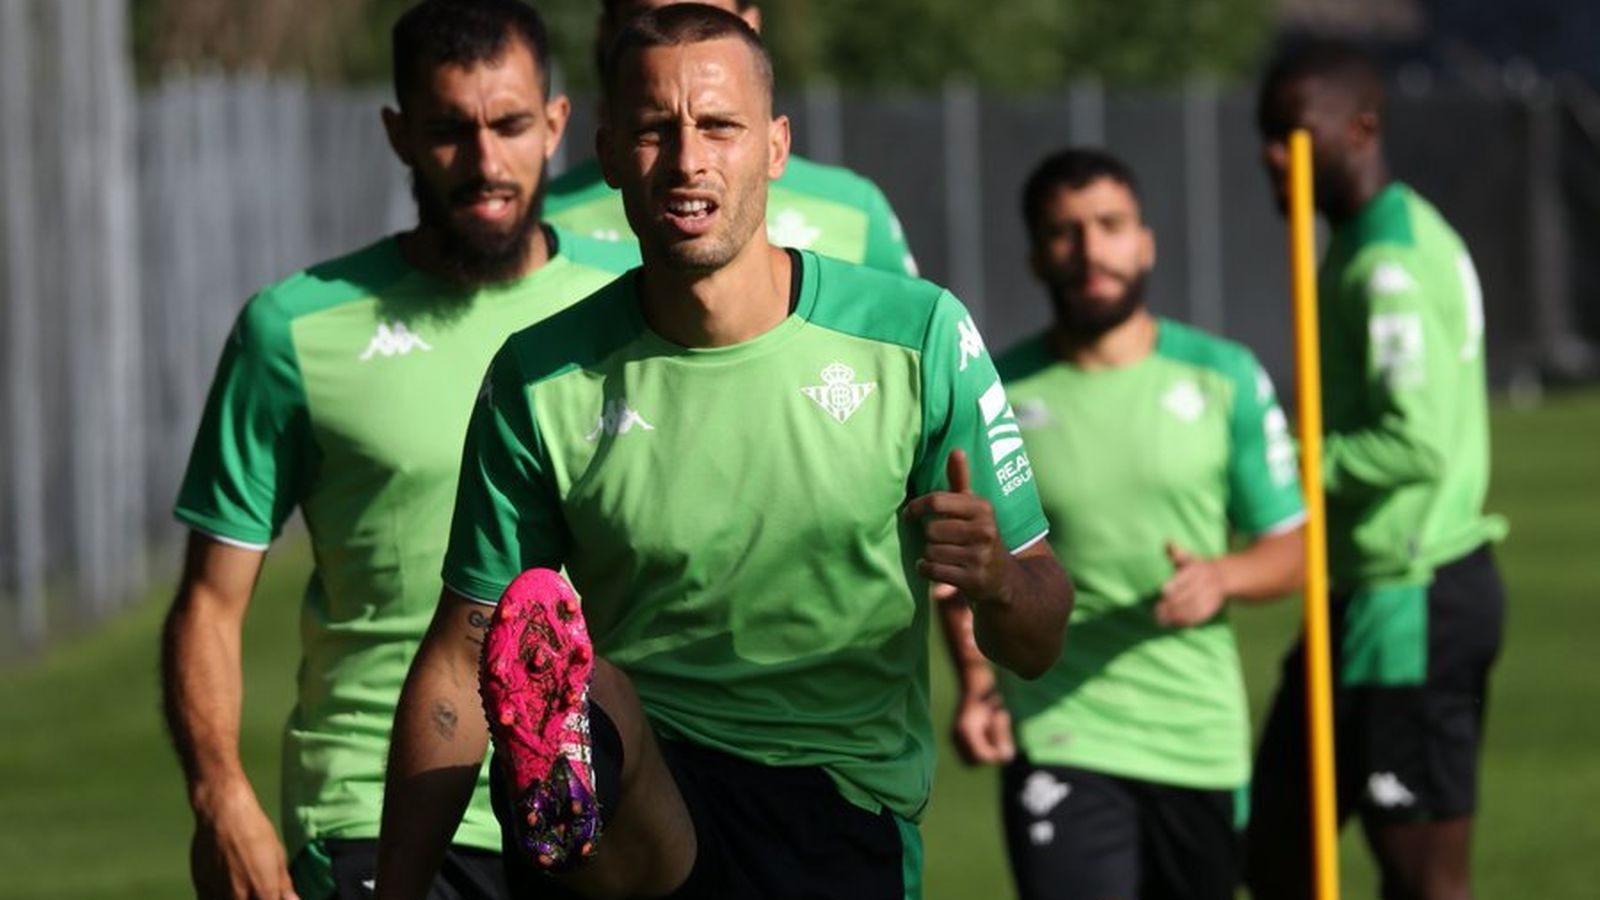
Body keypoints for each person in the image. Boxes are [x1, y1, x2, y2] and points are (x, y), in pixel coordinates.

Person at [373, 6, 1073, 899]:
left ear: (775, 146)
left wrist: (1002, 585)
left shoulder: (918, 336)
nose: (689, 161)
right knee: (591, 702)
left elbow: (1041, 632)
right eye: (655, 131)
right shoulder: (540, 375)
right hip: (644, 794)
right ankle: (571, 788)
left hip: (837, 807)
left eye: (719, 127)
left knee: (598, 715)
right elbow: (456, 655)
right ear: (612, 151)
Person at [159, 2, 637, 897]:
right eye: (450, 130)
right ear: (398, 134)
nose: (486, 162)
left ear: (559, 125)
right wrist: (219, 794)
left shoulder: (631, 306)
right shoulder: (294, 331)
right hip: (369, 813)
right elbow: (211, 604)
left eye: (510, 125)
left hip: (606, 802)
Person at [935, 148, 1307, 900]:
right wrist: (977, 684)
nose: (1090, 250)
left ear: (1146, 240)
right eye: (1065, 232)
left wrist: (1221, 577)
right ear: (1038, 256)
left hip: (1198, 740)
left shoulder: (1223, 375)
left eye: (1109, 225)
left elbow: (1293, 545)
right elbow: (965, 561)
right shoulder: (996, 394)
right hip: (1060, 733)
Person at [1249, 40, 1508, 900]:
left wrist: (1289, 466)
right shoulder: (1370, 237)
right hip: (1363, 591)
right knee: (1274, 847)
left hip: (1412, 592)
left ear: (1360, 129)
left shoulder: (1385, 262)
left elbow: (1415, 440)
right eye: (1264, 133)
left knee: (1422, 877)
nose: (1270, 155)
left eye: (1291, 131)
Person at [544, 0, 920, 277]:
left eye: (707, 21)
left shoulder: (854, 210)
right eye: (651, 23)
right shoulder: (544, 224)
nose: (680, 42)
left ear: (750, 25)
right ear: (606, 36)